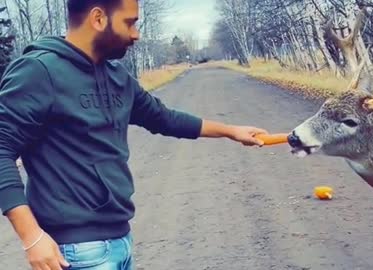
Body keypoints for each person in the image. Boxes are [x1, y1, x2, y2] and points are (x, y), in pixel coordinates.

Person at [0, 0, 268, 269]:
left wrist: (232, 131)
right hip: (74, 252)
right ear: (98, 18)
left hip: (120, 241)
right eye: (130, 22)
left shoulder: (117, 75)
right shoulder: (39, 71)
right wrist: (32, 237)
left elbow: (164, 118)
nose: (136, 34)